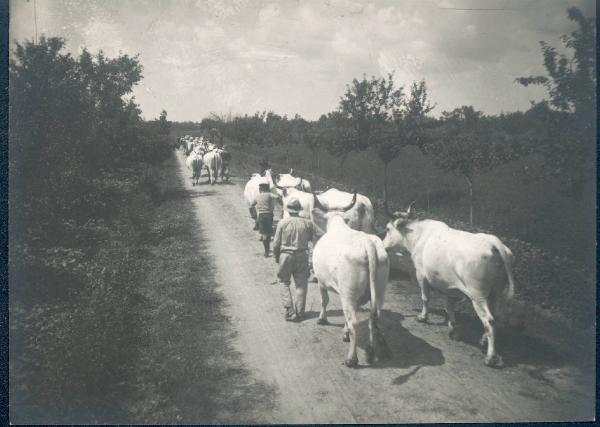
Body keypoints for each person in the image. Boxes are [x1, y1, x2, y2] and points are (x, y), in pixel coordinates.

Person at [272, 198, 315, 321]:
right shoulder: (308, 223)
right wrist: (311, 258)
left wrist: (276, 256)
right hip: (302, 255)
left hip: (286, 255)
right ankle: (300, 312)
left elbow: (276, 243)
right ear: (299, 210)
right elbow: (313, 241)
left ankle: (290, 311)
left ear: (288, 210)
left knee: (284, 282)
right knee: (301, 284)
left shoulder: (282, 223)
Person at [251, 183, 277, 256]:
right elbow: (277, 197)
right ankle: (267, 251)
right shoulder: (269, 194)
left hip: (261, 215)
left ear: (260, 189)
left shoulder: (257, 196)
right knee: (269, 233)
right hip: (269, 215)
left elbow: (251, 204)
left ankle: (266, 251)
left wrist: (255, 216)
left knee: (264, 234)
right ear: (267, 189)